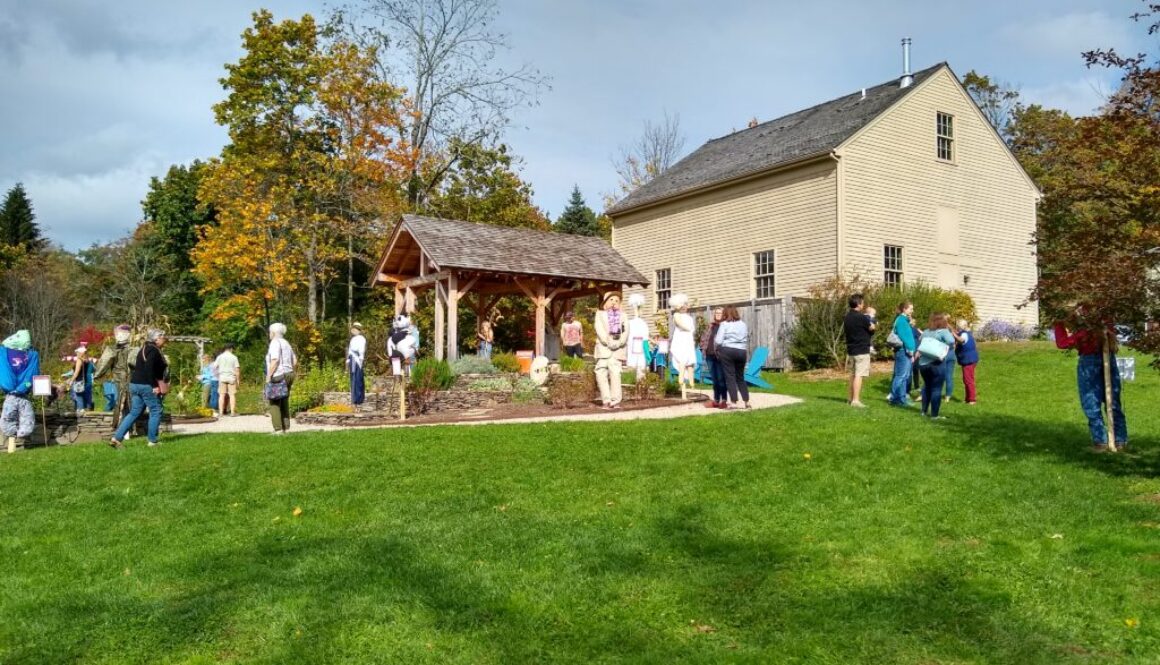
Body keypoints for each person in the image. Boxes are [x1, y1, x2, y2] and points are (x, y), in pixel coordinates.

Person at [1054, 317, 1127, 452]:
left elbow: (1063, 343)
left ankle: (1107, 442)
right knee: (1107, 401)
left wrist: (1059, 324)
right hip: (1101, 357)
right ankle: (1113, 441)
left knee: (1094, 401)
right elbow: (1064, 343)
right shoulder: (1100, 310)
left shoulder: (1092, 315)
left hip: (1094, 359)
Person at [110, 330, 168, 448]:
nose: (165, 339)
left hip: (135, 384)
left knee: (135, 412)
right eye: (163, 337)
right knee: (156, 410)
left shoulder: (144, 348)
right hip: (146, 385)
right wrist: (154, 386)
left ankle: (116, 438)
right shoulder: (153, 350)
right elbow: (149, 368)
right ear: (156, 339)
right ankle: (152, 441)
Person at [0, 330, 41, 453]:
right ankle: (16, 438)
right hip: (19, 394)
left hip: (13, 394)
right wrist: (24, 386)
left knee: (9, 417)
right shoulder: (31, 355)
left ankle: (14, 439)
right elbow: (32, 373)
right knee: (24, 416)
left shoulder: (4, 352)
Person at [917, 313, 957, 420]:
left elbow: (920, 339)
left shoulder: (926, 331)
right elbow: (952, 341)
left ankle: (923, 411)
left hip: (923, 364)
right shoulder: (943, 331)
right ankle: (934, 415)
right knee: (936, 389)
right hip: (936, 363)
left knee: (926, 387)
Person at [94, 324, 133, 429]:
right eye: (118, 334)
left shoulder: (131, 348)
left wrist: (98, 375)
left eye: (123, 334)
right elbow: (103, 364)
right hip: (121, 380)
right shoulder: (114, 349)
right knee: (123, 402)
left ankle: (124, 429)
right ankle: (124, 429)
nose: (120, 336)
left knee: (124, 402)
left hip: (128, 380)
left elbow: (102, 364)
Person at [593, 291, 627, 409]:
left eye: (617, 301)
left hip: (617, 350)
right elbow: (599, 329)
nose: (614, 303)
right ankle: (606, 399)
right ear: (605, 304)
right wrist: (607, 341)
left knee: (615, 373)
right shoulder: (600, 314)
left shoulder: (623, 315)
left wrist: (619, 342)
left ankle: (615, 400)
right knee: (600, 372)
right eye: (611, 300)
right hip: (603, 349)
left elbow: (625, 331)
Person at [714, 305, 750, 409]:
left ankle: (734, 402)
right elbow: (745, 337)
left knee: (730, 377)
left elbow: (718, 341)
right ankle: (746, 401)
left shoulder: (724, 324)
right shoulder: (743, 324)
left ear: (726, 313)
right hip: (741, 351)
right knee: (740, 377)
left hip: (728, 351)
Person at [842, 293, 875, 407]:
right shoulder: (861, 317)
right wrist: (871, 316)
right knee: (859, 375)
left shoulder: (847, 317)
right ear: (859, 304)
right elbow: (872, 328)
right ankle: (856, 400)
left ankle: (850, 398)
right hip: (861, 350)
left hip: (851, 350)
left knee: (852, 375)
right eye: (862, 302)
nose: (863, 304)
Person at [265, 322, 298, 434]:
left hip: (279, 374)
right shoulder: (286, 343)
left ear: (273, 333)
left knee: (274, 401)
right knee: (284, 399)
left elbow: (275, 360)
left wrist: (269, 376)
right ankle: (286, 427)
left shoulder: (274, 342)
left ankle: (278, 429)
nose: (269, 334)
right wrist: (291, 371)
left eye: (270, 332)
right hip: (289, 373)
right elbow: (295, 360)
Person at [888, 301, 917, 406]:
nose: (912, 311)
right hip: (903, 351)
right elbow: (905, 337)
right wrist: (910, 350)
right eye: (910, 308)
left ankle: (902, 398)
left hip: (906, 351)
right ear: (904, 309)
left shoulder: (904, 320)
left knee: (904, 376)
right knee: (900, 376)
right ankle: (894, 398)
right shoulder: (901, 320)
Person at [668, 293, 697, 396]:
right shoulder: (677, 315)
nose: (685, 307)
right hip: (681, 338)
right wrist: (687, 328)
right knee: (682, 358)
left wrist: (690, 330)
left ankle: (691, 379)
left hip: (688, 338)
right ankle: (681, 377)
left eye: (686, 304)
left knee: (690, 360)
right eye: (683, 305)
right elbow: (679, 324)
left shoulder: (689, 317)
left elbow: (692, 328)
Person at [700, 307, 727, 408]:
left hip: (720, 356)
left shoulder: (725, 326)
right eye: (716, 313)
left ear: (723, 315)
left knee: (721, 379)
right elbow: (704, 337)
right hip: (709, 355)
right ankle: (716, 400)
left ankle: (723, 400)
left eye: (720, 313)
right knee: (714, 379)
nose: (718, 314)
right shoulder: (710, 326)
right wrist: (702, 347)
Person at [956, 319, 979, 405]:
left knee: (968, 379)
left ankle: (972, 399)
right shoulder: (967, 333)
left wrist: (954, 335)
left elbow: (961, 340)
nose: (957, 327)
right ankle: (967, 398)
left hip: (968, 360)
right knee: (966, 379)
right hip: (969, 359)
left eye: (958, 325)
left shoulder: (964, 334)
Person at [215, 344, 241, 416]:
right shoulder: (234, 357)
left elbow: (215, 367)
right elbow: (237, 369)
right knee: (232, 395)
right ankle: (232, 412)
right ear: (231, 349)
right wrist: (238, 380)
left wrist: (217, 375)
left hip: (222, 377)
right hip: (231, 377)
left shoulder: (219, 357)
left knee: (221, 395)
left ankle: (220, 412)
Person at [347, 322, 367, 406]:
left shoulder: (361, 338)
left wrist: (361, 358)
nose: (353, 330)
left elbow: (361, 350)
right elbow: (350, 350)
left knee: (358, 379)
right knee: (353, 379)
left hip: (357, 359)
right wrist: (348, 359)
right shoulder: (353, 339)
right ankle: (354, 399)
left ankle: (358, 399)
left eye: (354, 329)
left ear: (358, 330)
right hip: (352, 359)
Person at [71, 345, 95, 412]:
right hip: (87, 380)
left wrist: (71, 381)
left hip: (79, 380)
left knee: (79, 395)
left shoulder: (79, 360)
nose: (76, 354)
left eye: (77, 352)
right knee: (87, 396)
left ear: (81, 353)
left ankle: (81, 409)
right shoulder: (88, 361)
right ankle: (87, 409)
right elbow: (94, 370)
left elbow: (76, 372)